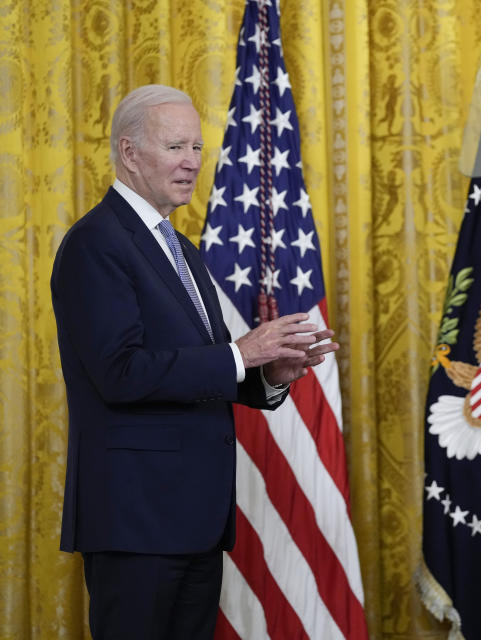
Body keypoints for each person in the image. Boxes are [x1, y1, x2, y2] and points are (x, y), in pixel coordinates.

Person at [50, 84, 337, 639]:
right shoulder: (96, 243)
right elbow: (121, 373)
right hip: (136, 521)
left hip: (196, 521)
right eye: (176, 147)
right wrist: (239, 353)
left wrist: (267, 376)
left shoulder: (180, 248)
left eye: (198, 150)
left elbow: (208, 367)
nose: (191, 164)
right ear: (130, 153)